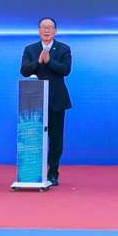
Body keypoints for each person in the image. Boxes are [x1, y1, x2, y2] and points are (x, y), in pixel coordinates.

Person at [20, 18, 72, 186]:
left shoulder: (64, 48)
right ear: (39, 30)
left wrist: (50, 61)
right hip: (33, 101)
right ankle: (34, 171)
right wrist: (39, 61)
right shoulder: (30, 49)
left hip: (56, 100)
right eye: (43, 27)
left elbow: (66, 70)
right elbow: (24, 71)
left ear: (55, 31)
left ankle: (53, 173)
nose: (47, 30)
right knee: (34, 138)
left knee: (56, 140)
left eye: (50, 28)